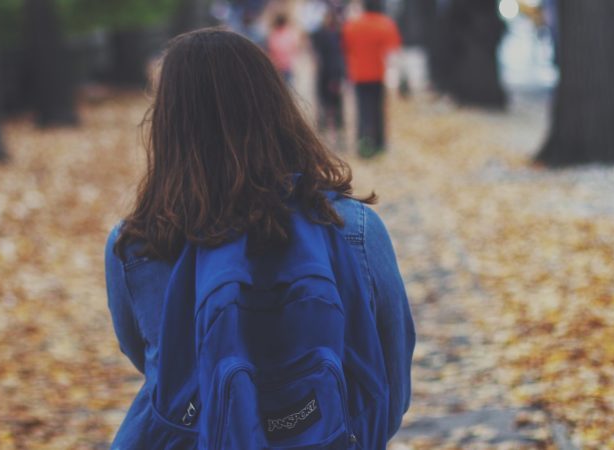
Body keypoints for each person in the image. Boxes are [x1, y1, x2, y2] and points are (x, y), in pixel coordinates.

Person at [105, 29, 413, 448]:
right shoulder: (353, 228)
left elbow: (152, 362)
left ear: (167, 124)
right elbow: (390, 374)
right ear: (277, 107)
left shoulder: (137, 244)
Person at [342, 0, 401, 157]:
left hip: (359, 74)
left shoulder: (352, 25)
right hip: (378, 74)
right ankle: (380, 143)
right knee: (378, 110)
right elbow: (392, 52)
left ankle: (363, 144)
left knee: (362, 110)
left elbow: (346, 48)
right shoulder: (386, 25)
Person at [310, 9, 347, 149]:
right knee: (330, 105)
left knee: (331, 105)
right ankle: (333, 134)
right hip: (328, 74)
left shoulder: (330, 35)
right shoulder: (332, 35)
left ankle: (333, 135)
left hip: (329, 74)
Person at [267, 13, 301, 82]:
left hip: (279, 66)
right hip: (284, 66)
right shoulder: (289, 34)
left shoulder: (273, 35)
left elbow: (270, 50)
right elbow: (295, 49)